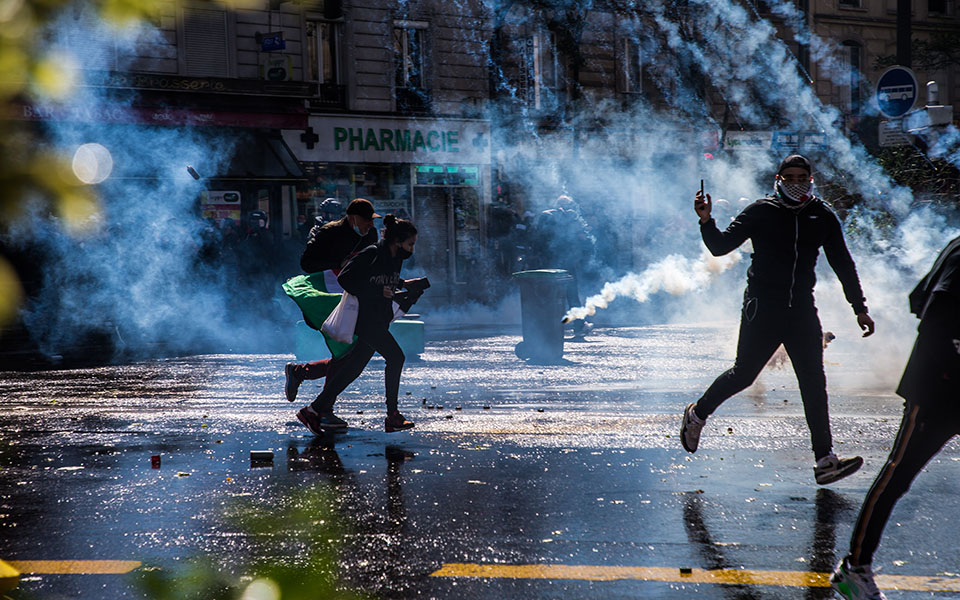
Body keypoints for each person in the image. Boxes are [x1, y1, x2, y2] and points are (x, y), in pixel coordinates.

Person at [680, 154, 876, 485]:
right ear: (778, 180)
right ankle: (697, 415)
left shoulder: (822, 216)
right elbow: (720, 246)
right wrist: (706, 219)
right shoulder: (761, 211)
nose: (796, 183)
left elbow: (843, 262)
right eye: (790, 177)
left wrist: (859, 307)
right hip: (763, 307)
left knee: (813, 382)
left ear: (811, 180)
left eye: (802, 177)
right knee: (744, 374)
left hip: (802, 310)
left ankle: (825, 459)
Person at [831, 236, 960, 600]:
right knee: (897, 476)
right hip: (936, 391)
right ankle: (854, 568)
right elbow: (931, 314)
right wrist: (950, 364)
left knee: (897, 476)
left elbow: (916, 298)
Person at [296, 214, 422, 434]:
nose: (412, 249)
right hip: (365, 318)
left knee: (352, 368)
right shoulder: (372, 253)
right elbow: (346, 278)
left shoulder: (395, 258)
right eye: (410, 244)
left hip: (379, 318)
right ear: (397, 241)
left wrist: (404, 285)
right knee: (396, 357)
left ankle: (313, 410)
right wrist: (377, 292)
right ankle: (392, 415)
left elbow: (383, 280)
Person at [284, 198, 380, 405]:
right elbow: (307, 263)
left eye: (372, 220)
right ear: (353, 218)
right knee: (348, 353)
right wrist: (339, 264)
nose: (370, 224)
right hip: (330, 298)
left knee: (352, 354)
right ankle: (322, 406)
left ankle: (301, 375)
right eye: (367, 220)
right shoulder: (328, 233)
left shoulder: (371, 234)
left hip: (358, 297)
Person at [529, 195, 595, 336]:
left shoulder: (545, 216)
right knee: (572, 295)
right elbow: (584, 239)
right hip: (567, 262)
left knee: (548, 295)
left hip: (547, 263)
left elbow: (536, 240)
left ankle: (546, 328)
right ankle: (579, 326)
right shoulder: (572, 217)